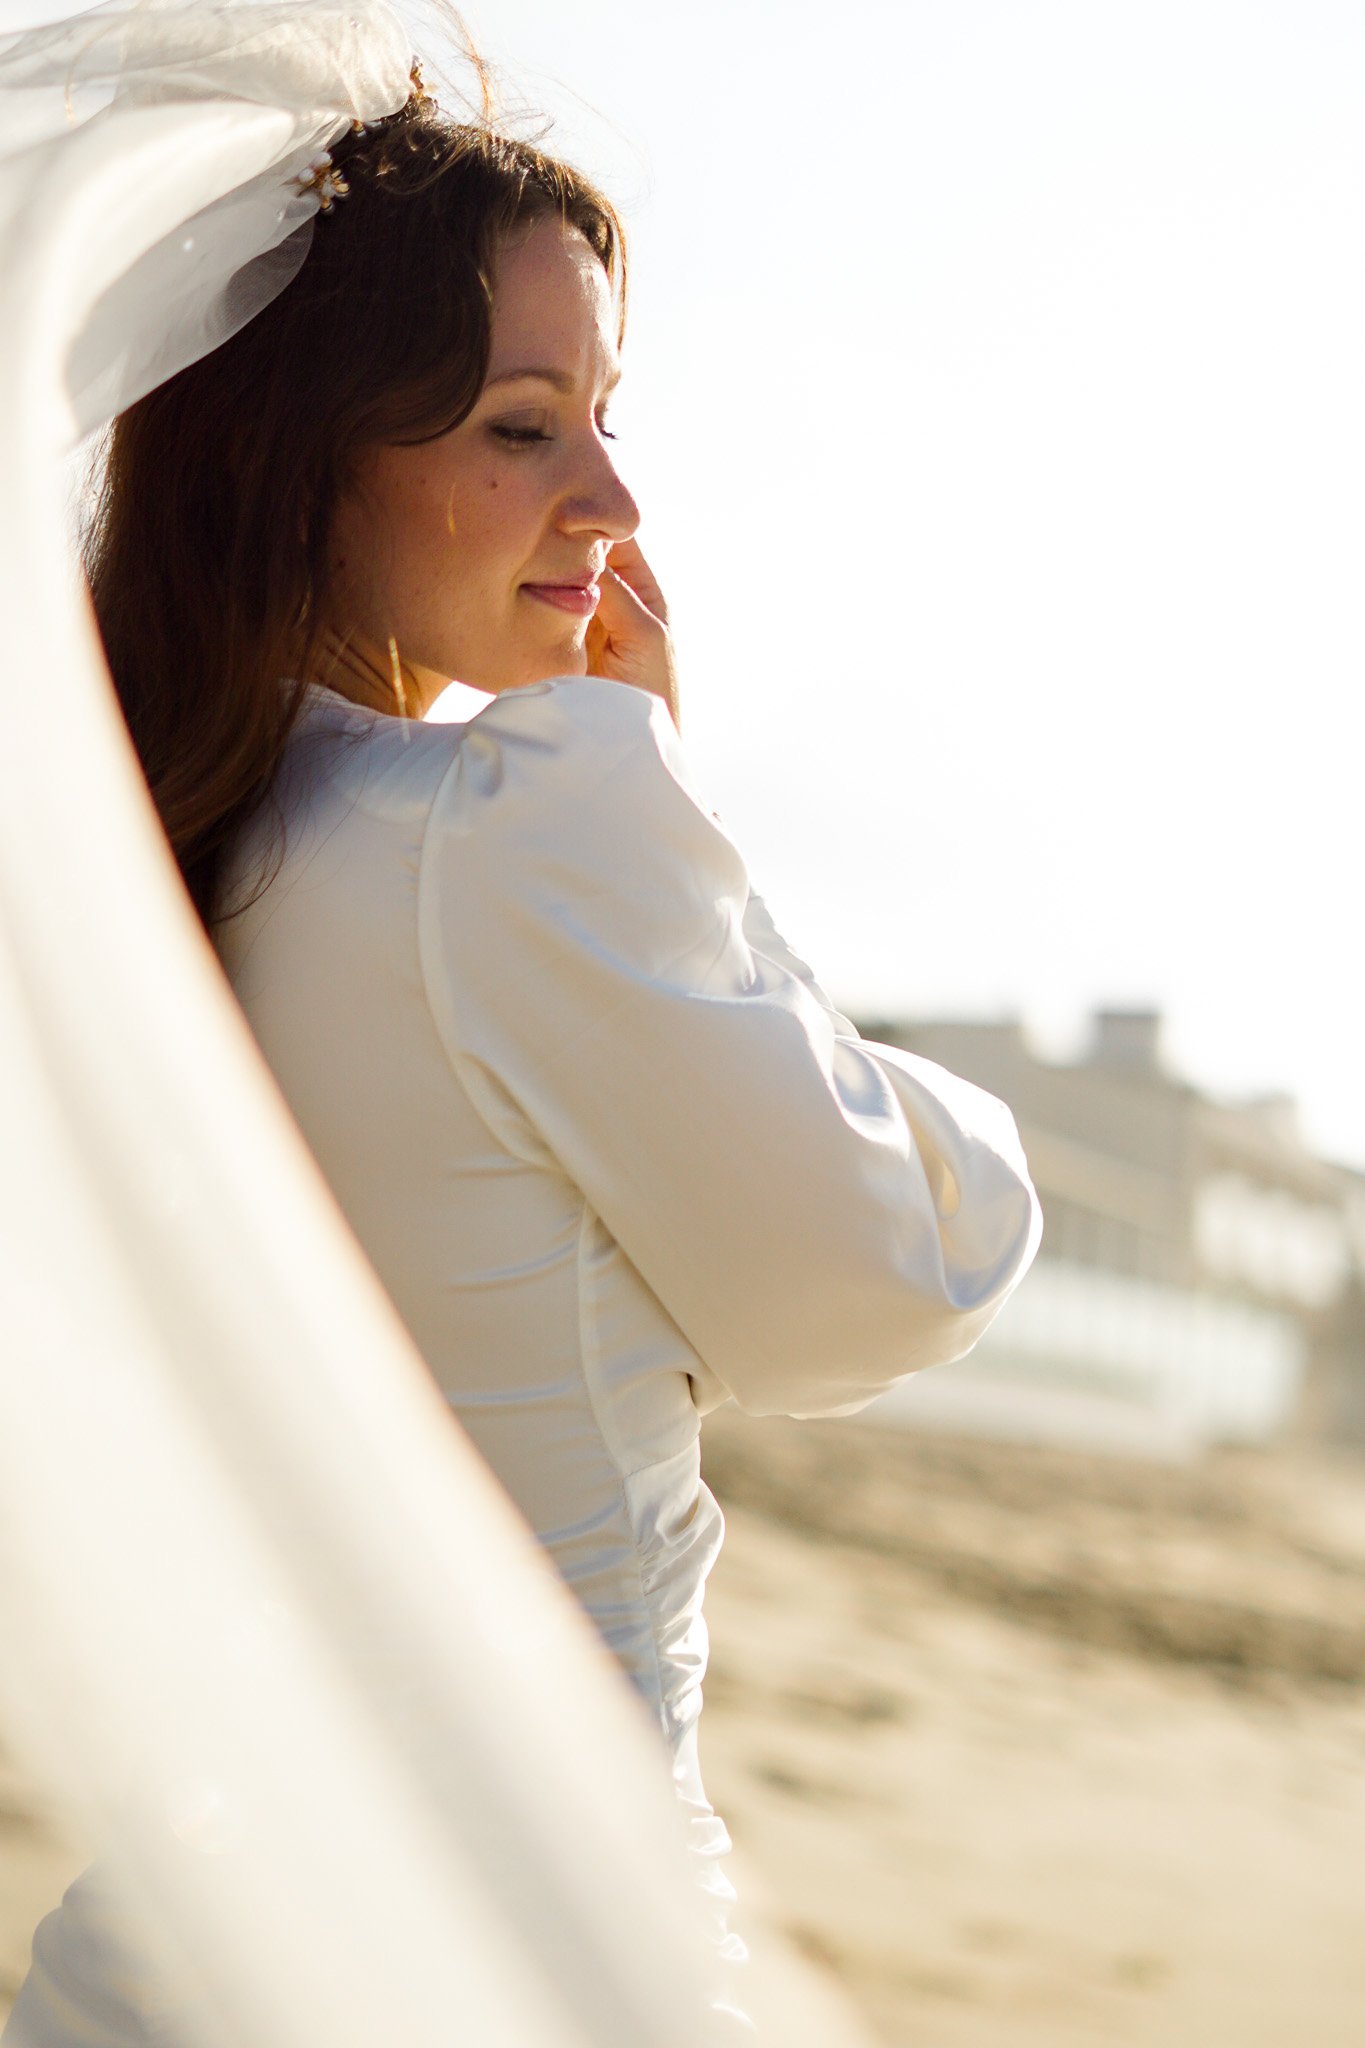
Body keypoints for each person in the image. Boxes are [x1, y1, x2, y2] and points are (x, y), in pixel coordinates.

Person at [20, 50, 1041, 2043]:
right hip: (506, 1965)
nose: (614, 503)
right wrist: (653, 807)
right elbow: (882, 1280)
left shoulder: (153, 872)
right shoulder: (498, 838)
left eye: (602, 417)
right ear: (297, 463)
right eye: (520, 426)